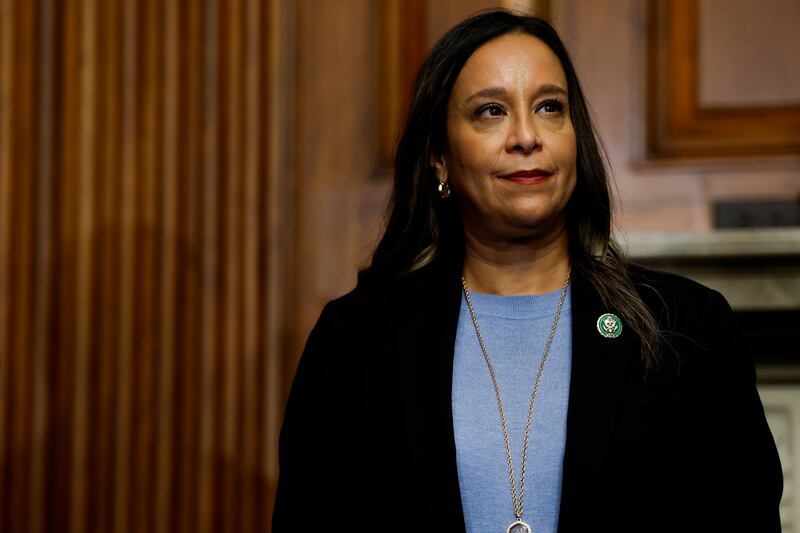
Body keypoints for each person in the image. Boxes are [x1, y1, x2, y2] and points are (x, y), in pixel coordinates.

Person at [272, 9, 782, 533]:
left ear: (574, 138)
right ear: (440, 159)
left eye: (549, 108)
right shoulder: (355, 341)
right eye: (491, 111)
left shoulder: (690, 328)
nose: (526, 136)